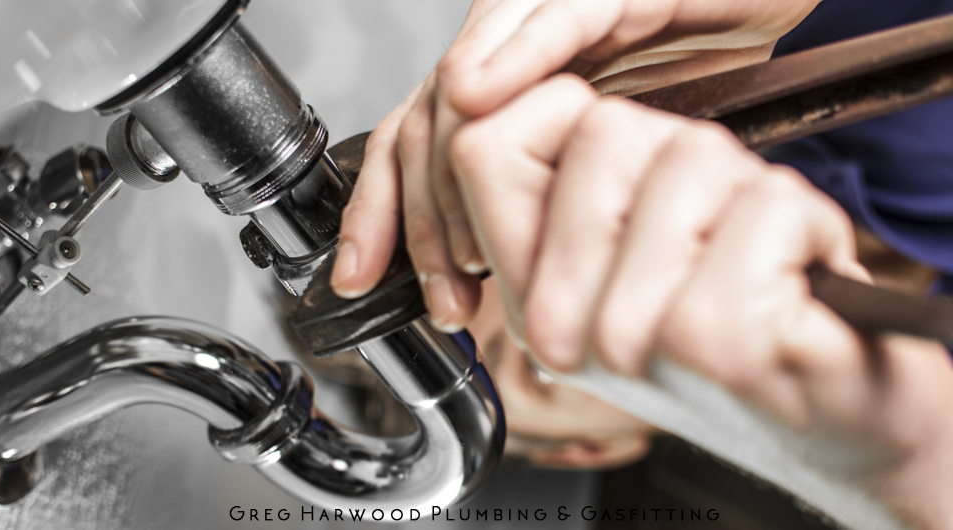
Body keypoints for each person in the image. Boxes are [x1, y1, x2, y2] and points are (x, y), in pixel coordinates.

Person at [329, 1, 953, 527]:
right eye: (539, 361)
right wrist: (920, 477)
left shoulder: (796, 35)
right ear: (593, 448)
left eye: (544, 228)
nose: (608, 257)